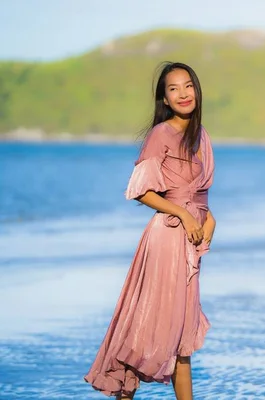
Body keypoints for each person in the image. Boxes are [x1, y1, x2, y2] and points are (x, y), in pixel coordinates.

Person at [84, 61, 216, 400]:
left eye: (188, 86)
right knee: (148, 328)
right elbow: (141, 190)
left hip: (189, 243)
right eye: (174, 89)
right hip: (166, 240)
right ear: (165, 100)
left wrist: (208, 218)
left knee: (182, 336)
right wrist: (184, 217)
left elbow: (195, 192)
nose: (183, 93)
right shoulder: (161, 134)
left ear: (197, 91)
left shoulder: (201, 135)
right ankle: (122, 391)